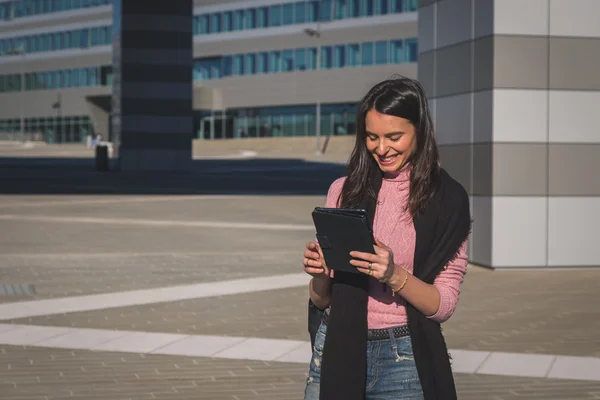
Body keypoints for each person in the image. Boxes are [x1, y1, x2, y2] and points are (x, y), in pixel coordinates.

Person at [302, 77, 471, 400]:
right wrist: (321, 272)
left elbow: (443, 305)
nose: (381, 148)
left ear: (420, 130)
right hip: (336, 346)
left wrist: (394, 275)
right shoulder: (344, 189)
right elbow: (322, 299)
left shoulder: (448, 199)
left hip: (403, 358)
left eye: (394, 137)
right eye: (371, 137)